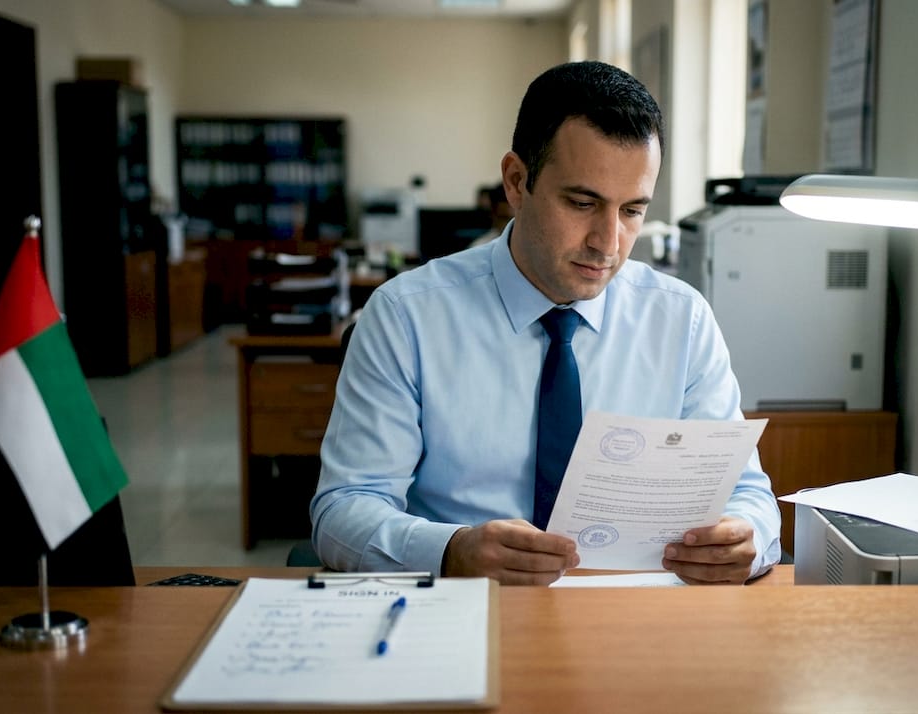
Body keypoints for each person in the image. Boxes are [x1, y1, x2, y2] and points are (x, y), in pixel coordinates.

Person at [311, 61, 781, 585]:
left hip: (636, 612)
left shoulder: (682, 319)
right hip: (467, 608)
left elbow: (747, 493)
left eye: (631, 211)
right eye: (583, 203)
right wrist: (450, 550)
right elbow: (344, 510)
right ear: (516, 181)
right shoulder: (406, 316)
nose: (608, 243)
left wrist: (747, 537)